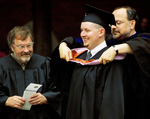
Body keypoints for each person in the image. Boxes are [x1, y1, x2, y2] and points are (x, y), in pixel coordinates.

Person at [58, 6, 150, 119]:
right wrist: (63, 44)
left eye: (118, 23)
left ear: (132, 24)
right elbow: (78, 40)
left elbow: (143, 45)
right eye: (111, 24)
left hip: (137, 103)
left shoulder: (144, 39)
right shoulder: (108, 40)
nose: (113, 27)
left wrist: (115, 49)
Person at [51, 4, 125, 119]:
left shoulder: (111, 61)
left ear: (101, 32)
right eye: (81, 30)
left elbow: (111, 105)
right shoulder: (79, 58)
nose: (82, 34)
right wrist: (62, 45)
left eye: (87, 30)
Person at [0, 26, 62, 119]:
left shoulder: (44, 64)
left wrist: (46, 98)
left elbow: (59, 88)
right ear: (12, 47)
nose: (26, 50)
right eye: (21, 46)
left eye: (29, 45)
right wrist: (6, 100)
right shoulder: (2, 66)